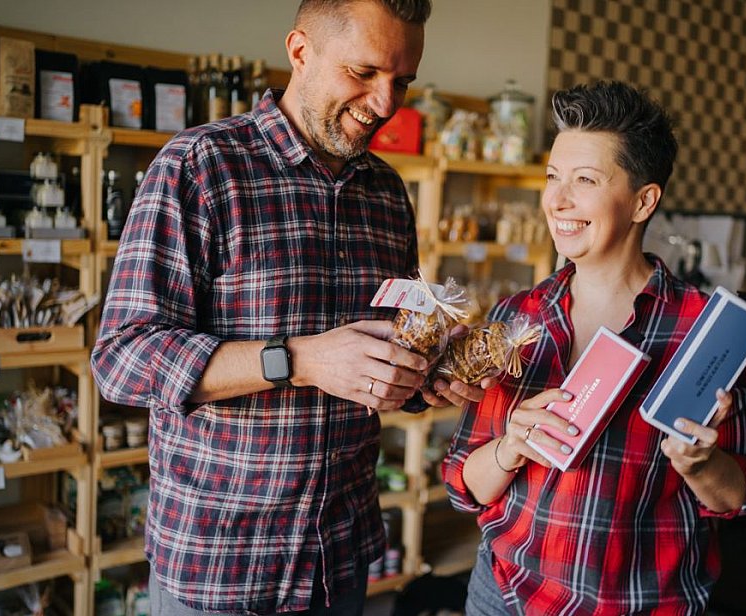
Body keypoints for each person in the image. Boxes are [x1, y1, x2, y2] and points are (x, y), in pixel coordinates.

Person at [91, 1, 480, 613]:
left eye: (401, 81)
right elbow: (123, 359)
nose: (384, 104)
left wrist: (420, 376)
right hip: (220, 567)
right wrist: (297, 360)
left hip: (340, 558)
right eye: (363, 72)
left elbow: (380, 352)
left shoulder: (385, 193)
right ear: (300, 52)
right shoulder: (201, 165)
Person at [442, 81, 746, 615]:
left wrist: (699, 465)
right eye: (553, 177)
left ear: (644, 201)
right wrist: (511, 446)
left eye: (585, 180)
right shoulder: (515, 318)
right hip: (505, 594)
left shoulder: (707, 330)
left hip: (643, 603)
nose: (557, 199)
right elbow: (466, 487)